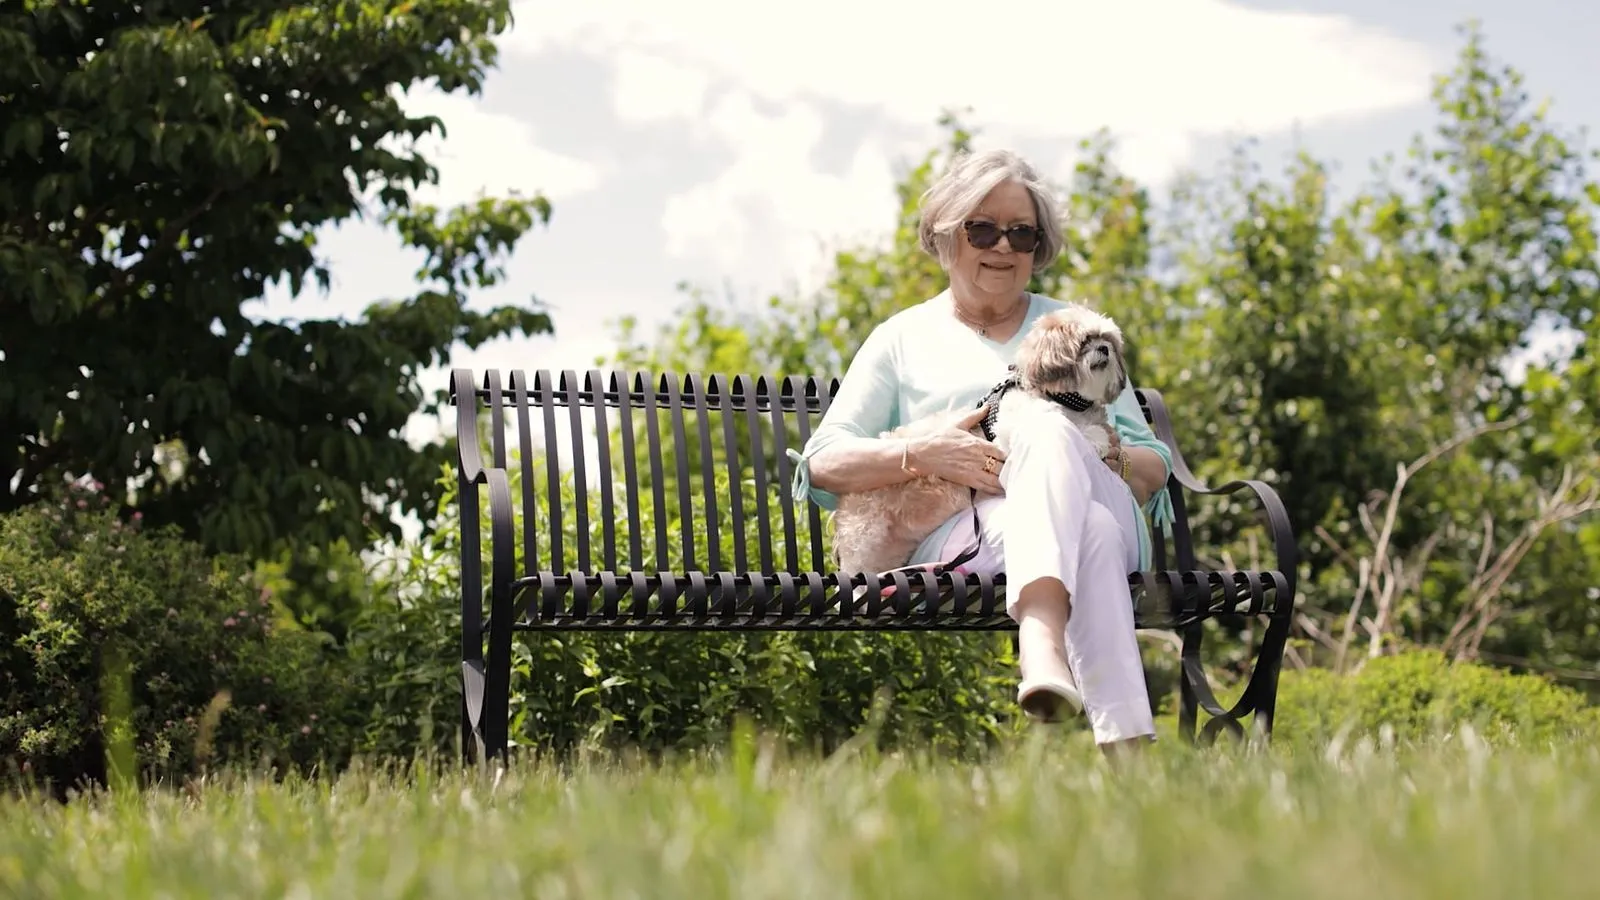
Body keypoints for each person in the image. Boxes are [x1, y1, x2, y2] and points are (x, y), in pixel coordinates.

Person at [788, 148, 1175, 756]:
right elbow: (822, 464)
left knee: (1045, 426)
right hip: (969, 531)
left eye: (1021, 233)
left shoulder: (1077, 330)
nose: (1002, 246)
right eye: (983, 229)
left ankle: (1040, 641)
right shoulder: (900, 339)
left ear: (1038, 246)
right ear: (947, 236)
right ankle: (1128, 752)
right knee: (1092, 532)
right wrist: (925, 453)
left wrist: (1088, 456)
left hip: (1094, 494)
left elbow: (1153, 467)